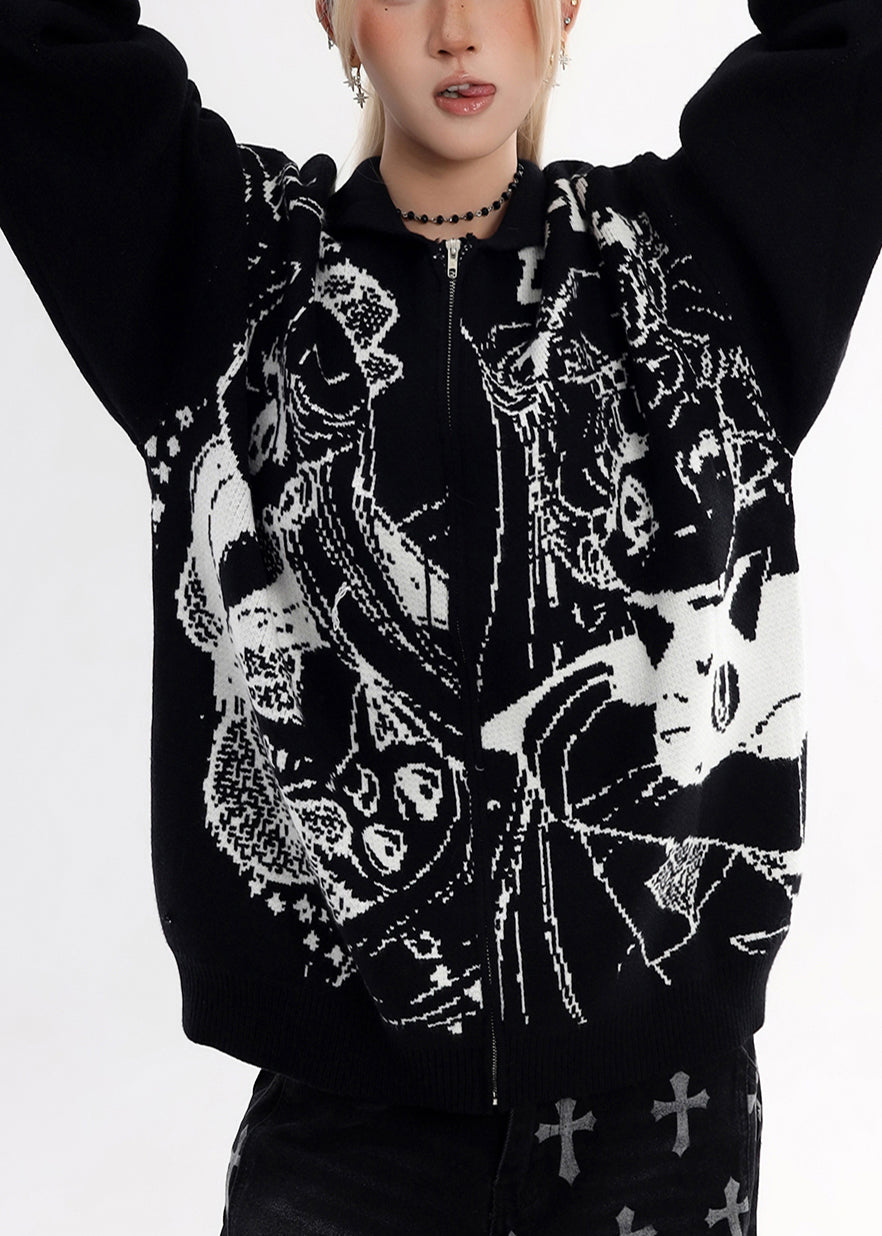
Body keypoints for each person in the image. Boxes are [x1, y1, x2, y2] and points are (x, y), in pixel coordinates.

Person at [0, 0, 880, 1232]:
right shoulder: (238, 280)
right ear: (339, 16)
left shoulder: (690, 275)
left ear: (564, 9)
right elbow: (35, 46)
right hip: (344, 1117)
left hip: (662, 1120)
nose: (457, 29)